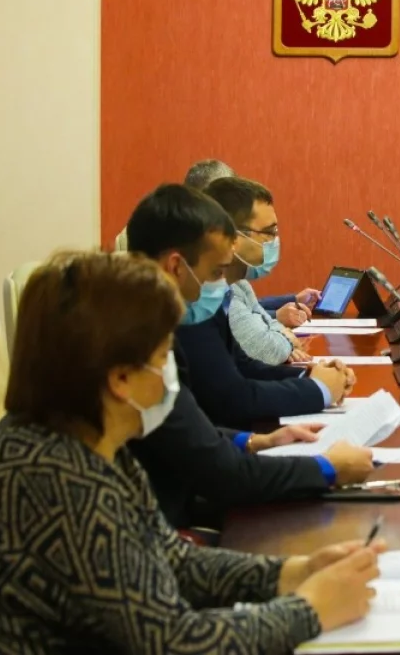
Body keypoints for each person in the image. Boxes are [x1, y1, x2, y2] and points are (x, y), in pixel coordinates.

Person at [0, 251, 383, 653]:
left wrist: (293, 573)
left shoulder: (94, 439)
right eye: (164, 356)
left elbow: (170, 558)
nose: (173, 372)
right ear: (121, 378)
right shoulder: (58, 479)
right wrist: (311, 609)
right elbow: (171, 641)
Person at [124, 186, 372, 528]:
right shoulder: (142, 345)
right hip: (167, 525)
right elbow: (223, 472)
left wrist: (253, 441)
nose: (220, 285)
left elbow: (185, 429)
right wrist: (327, 468)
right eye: (216, 273)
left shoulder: (153, 326)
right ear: (177, 267)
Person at [128, 184, 351, 430]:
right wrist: (317, 389)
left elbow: (242, 365)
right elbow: (230, 400)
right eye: (216, 271)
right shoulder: (186, 313)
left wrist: (311, 376)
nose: (221, 281)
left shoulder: (197, 302)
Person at [206, 176, 311, 365]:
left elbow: (270, 325)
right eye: (269, 232)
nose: (275, 241)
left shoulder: (239, 285)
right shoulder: (210, 295)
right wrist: (286, 340)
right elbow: (266, 349)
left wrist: (280, 335)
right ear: (233, 237)